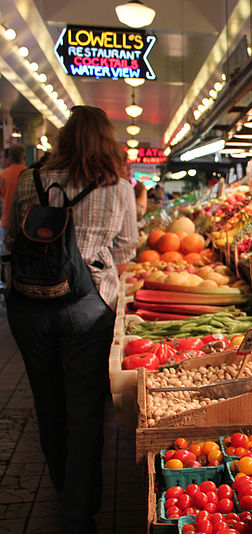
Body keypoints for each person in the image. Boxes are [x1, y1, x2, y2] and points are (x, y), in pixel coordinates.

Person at [4, 106, 137, 534]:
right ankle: (78, 514)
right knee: (84, 413)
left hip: (28, 304)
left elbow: (12, 237)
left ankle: (64, 488)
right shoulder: (117, 185)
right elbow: (127, 247)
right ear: (106, 140)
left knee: (49, 405)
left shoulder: (30, 179)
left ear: (62, 138)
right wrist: (97, 269)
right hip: (87, 307)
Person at [0, 144, 28, 248]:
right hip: (25, 221)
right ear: (25, 158)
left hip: (6, 219)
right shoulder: (29, 174)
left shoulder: (3, 175)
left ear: (10, 158)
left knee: (5, 253)